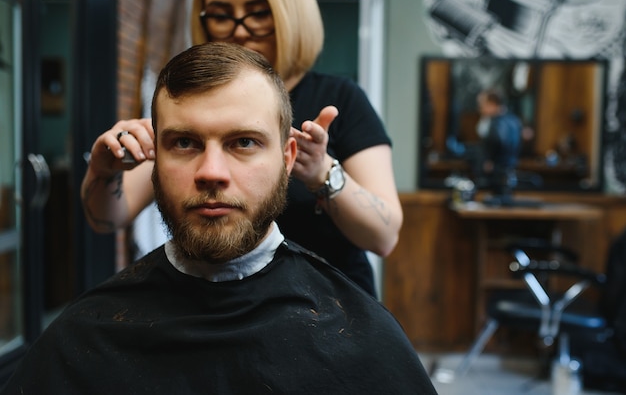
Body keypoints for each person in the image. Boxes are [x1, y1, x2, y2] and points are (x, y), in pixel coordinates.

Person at [2, 42, 437, 394]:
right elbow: (103, 213)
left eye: (244, 142)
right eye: (185, 143)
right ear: (155, 160)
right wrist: (101, 172)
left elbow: (384, 232)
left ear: (289, 158)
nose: (211, 172)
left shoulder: (361, 338)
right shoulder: (84, 337)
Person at [81, 0, 402, 298]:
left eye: (258, 13)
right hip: (220, 311)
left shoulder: (340, 99)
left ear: (289, 14)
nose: (239, 30)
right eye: (221, 16)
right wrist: (104, 170)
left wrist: (322, 173)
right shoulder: (191, 103)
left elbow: (383, 236)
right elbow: (109, 218)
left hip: (330, 314)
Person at [475, 88, 522, 200]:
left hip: (496, 173)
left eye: (482, 105)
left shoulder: (496, 122)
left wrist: (489, 159)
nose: (480, 109)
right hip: (510, 170)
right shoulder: (514, 120)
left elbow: (497, 140)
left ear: (492, 104)